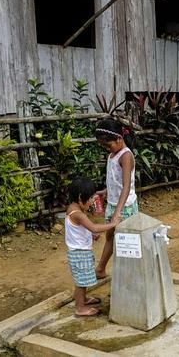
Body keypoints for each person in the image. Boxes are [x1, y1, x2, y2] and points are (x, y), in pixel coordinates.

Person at [65, 177, 119, 317]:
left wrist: (91, 235)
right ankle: (80, 307)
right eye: (89, 198)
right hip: (79, 253)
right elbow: (94, 227)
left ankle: (83, 300)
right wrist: (113, 224)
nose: (91, 202)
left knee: (84, 278)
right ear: (80, 197)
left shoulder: (73, 209)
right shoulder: (77, 214)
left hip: (80, 252)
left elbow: (79, 230)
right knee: (81, 282)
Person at [94, 119, 139, 279]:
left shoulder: (126, 156)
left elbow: (126, 186)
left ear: (119, 138)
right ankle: (101, 269)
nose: (107, 148)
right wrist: (105, 191)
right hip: (113, 204)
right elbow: (116, 181)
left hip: (125, 206)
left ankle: (128, 274)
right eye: (104, 146)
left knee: (125, 240)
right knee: (110, 236)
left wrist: (118, 212)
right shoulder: (112, 154)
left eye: (108, 145)